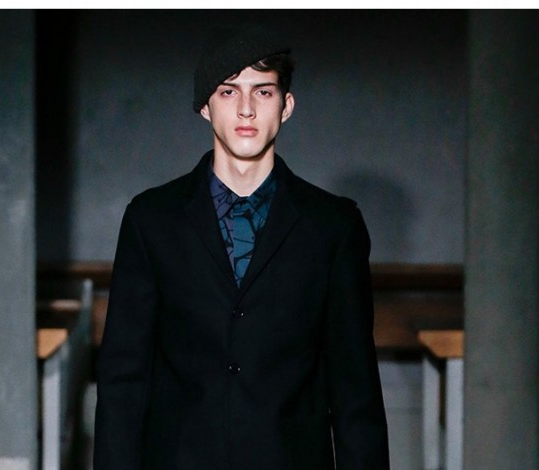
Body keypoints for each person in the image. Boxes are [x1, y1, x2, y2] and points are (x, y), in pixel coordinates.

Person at [94, 23, 389, 470]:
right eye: (229, 91)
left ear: (286, 106)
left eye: (263, 92)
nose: (246, 109)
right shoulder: (152, 220)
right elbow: (122, 381)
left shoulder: (332, 227)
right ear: (205, 106)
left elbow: (355, 391)